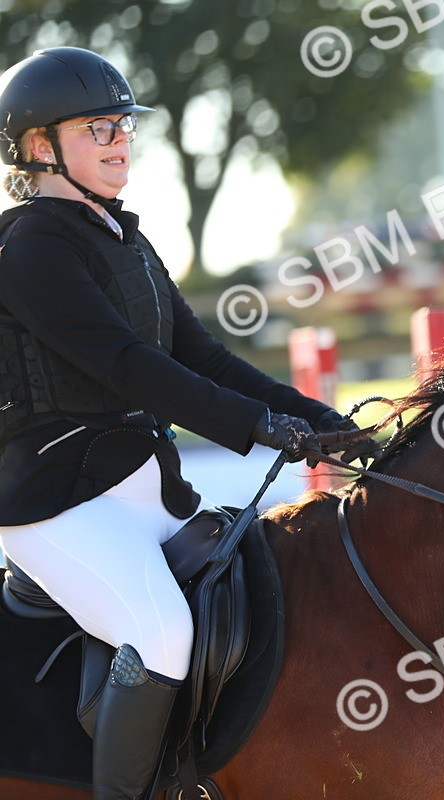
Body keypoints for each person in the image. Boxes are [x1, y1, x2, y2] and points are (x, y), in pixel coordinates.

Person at [0, 47, 372, 799]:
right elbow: (131, 366)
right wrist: (261, 427)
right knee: (163, 632)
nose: (119, 142)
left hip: (139, 492)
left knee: (269, 589)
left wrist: (320, 419)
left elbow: (200, 355)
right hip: (51, 504)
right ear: (41, 148)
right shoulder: (28, 247)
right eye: (98, 128)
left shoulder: (122, 237)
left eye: (123, 127)